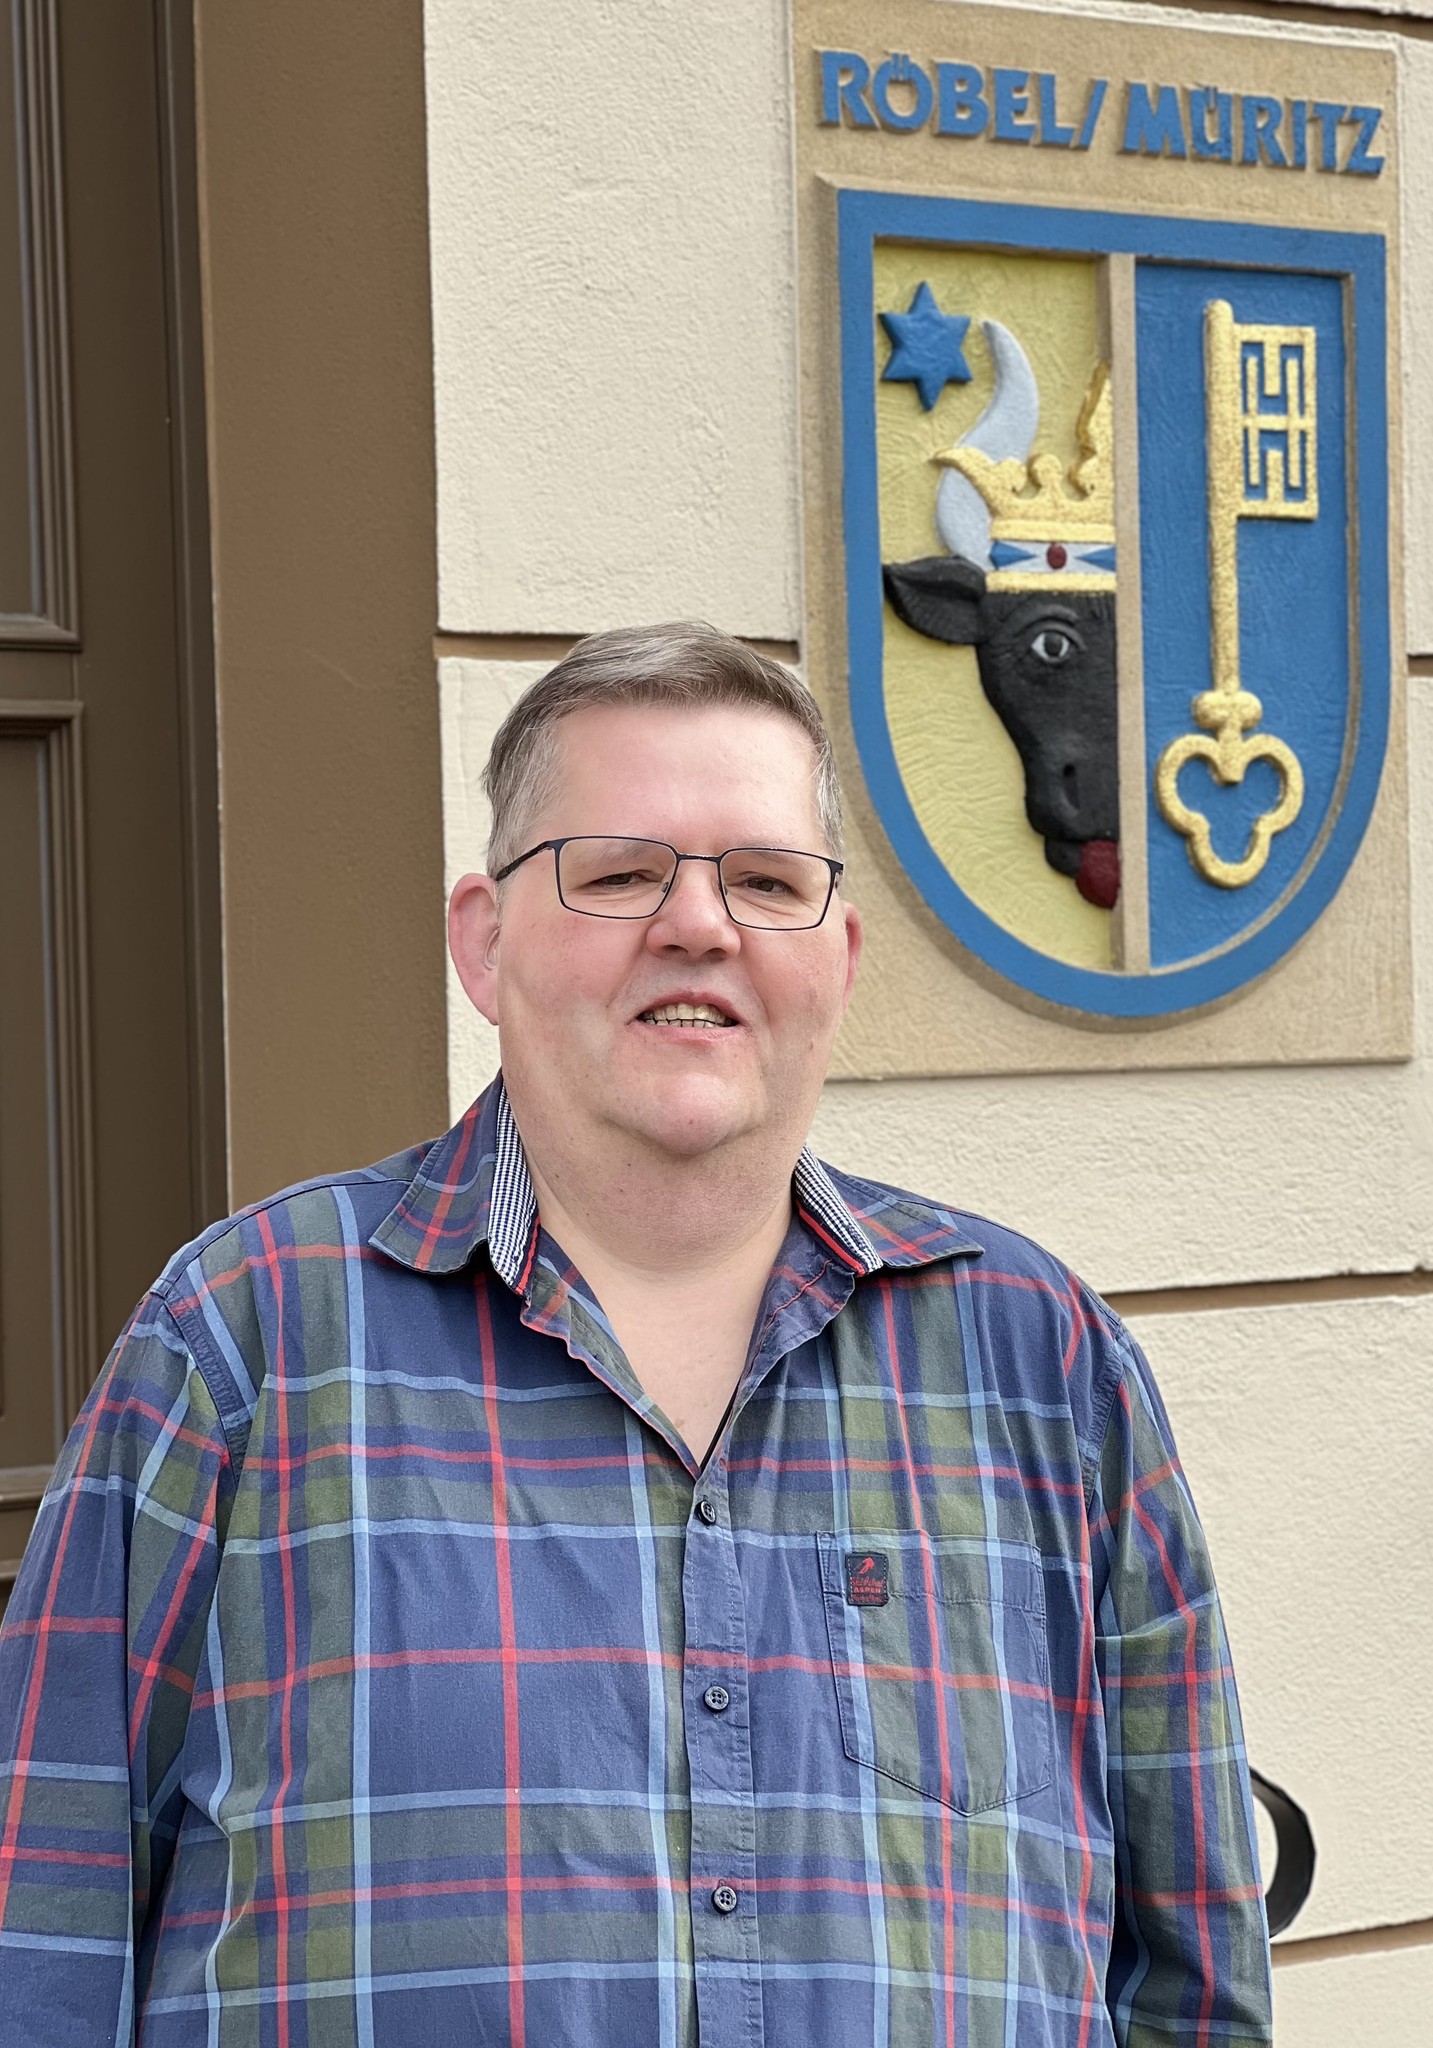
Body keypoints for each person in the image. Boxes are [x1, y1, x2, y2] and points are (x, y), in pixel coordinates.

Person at [0, 622, 1272, 2045]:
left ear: (840, 956)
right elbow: (41, 1913)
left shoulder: (1041, 1366)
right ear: (483, 942)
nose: (699, 926)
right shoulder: (244, 1344)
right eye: (617, 875)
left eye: (766, 882)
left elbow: (1190, 1981)